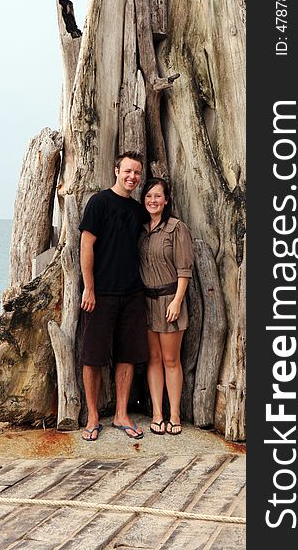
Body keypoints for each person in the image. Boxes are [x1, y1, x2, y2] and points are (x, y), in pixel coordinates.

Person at [79, 151, 149, 441]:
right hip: (101, 294)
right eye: (127, 171)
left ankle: (121, 414)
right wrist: (89, 287)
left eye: (136, 173)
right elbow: (86, 245)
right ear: (116, 170)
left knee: (127, 356)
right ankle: (93, 417)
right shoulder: (99, 202)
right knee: (93, 357)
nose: (132, 177)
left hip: (132, 293)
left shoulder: (137, 211)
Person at [138, 177, 194, 436]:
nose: (153, 200)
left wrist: (177, 301)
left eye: (157, 196)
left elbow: (184, 270)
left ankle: (174, 414)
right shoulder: (142, 229)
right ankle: (157, 414)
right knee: (154, 359)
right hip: (147, 302)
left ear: (166, 200)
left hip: (170, 301)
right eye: (149, 196)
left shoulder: (176, 228)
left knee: (171, 360)